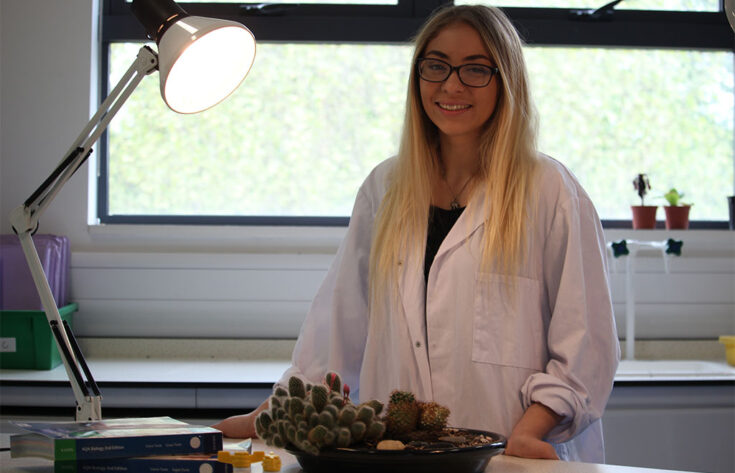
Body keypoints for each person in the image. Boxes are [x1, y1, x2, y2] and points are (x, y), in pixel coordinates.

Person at [214, 4, 619, 463]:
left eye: (475, 70)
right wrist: (267, 417)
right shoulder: (384, 188)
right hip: (400, 455)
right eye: (436, 66)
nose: (451, 85)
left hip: (511, 458)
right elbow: (335, 338)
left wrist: (529, 433)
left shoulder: (550, 191)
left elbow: (585, 349)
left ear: (506, 80)